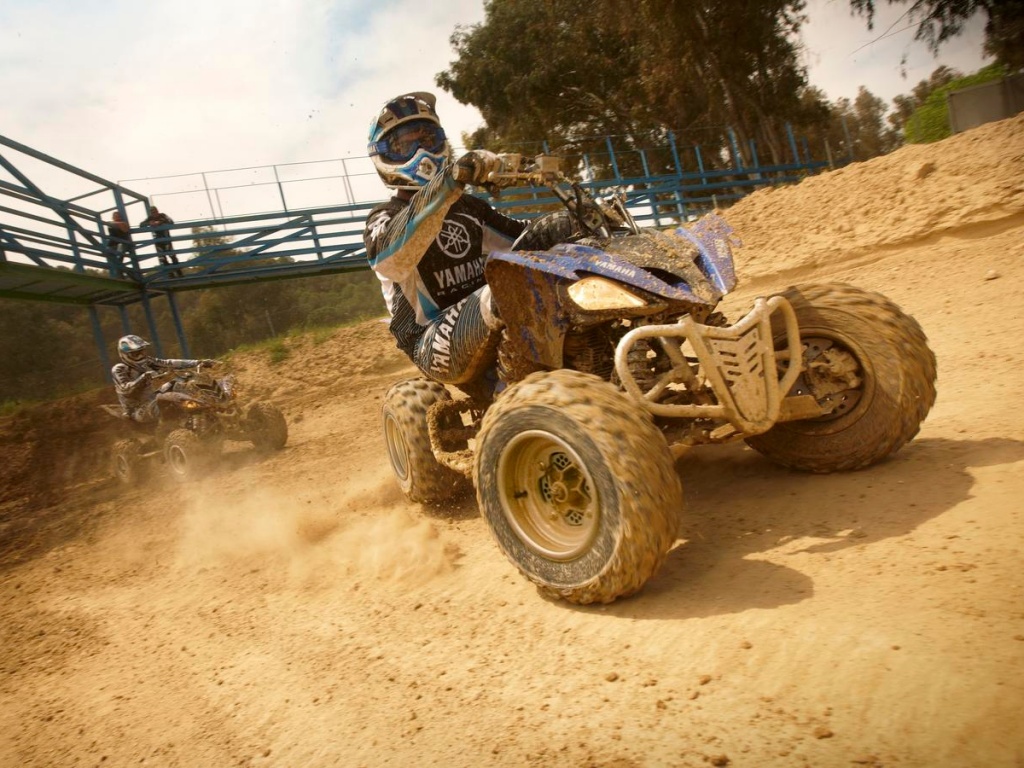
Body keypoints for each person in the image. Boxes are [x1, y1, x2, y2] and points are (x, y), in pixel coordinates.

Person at [363, 91, 564, 393]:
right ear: (385, 157)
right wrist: (450, 181)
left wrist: (575, 222)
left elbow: (526, 240)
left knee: (564, 258)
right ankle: (516, 400)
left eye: (427, 139)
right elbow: (391, 259)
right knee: (505, 291)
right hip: (430, 338)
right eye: (406, 145)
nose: (421, 152)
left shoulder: (469, 207)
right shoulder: (383, 218)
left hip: (490, 319)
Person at [111, 334, 217, 424]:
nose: (141, 356)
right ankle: (177, 424)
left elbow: (168, 363)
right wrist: (143, 377)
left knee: (177, 383)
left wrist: (198, 362)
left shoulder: (147, 361)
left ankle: (206, 405)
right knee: (164, 400)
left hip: (152, 398)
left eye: (142, 352)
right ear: (125, 355)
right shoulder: (119, 369)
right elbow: (125, 389)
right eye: (136, 354)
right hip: (137, 409)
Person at [139, 205, 181, 274]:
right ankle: (171, 275)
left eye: (155, 211)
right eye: (152, 212)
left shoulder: (163, 215)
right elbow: (141, 225)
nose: (154, 213)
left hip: (166, 240)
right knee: (162, 258)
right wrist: (149, 223)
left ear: (157, 211)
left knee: (172, 256)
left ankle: (179, 274)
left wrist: (160, 222)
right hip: (158, 242)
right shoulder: (150, 218)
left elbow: (171, 221)